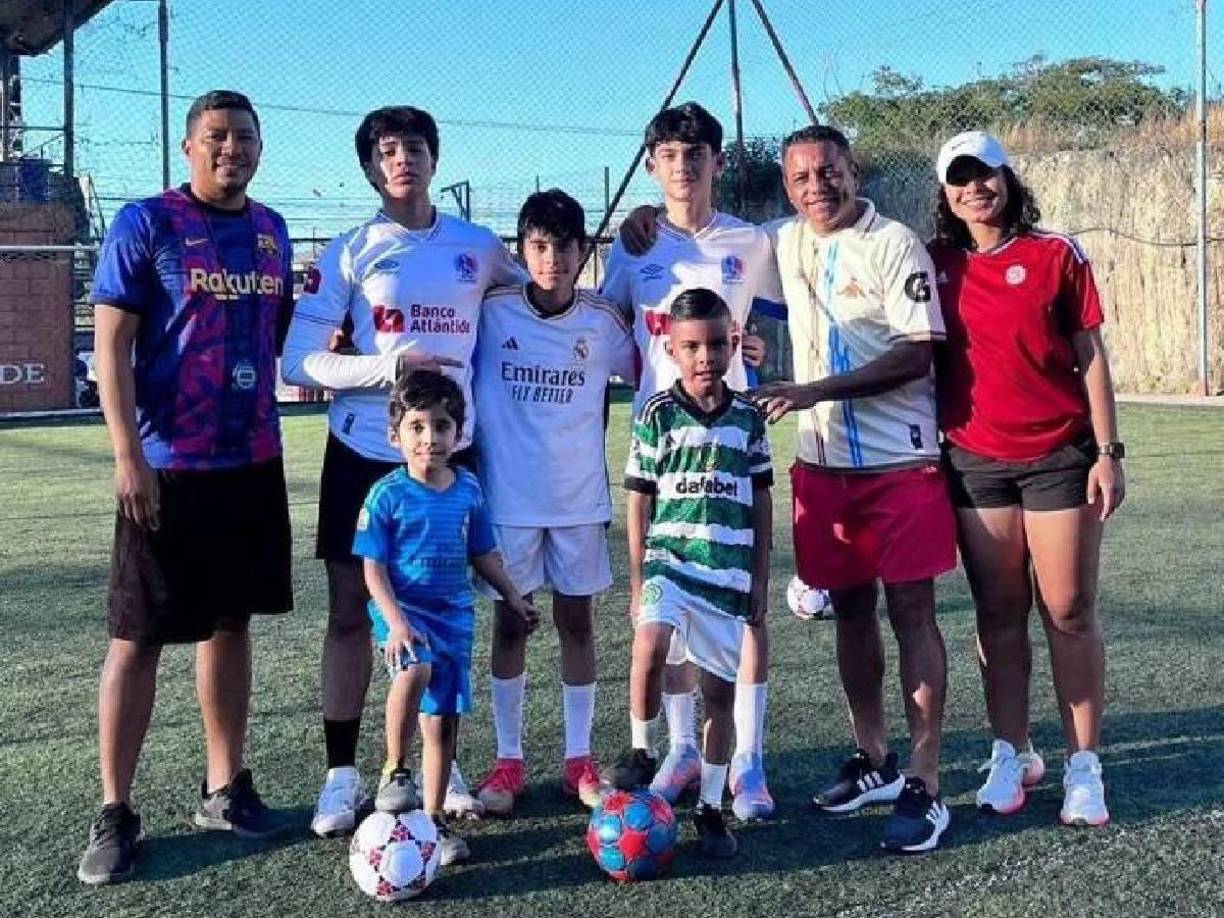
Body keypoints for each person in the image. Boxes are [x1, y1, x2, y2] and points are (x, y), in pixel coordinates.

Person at [280, 105, 525, 836]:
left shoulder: (478, 248)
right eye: (387, 151)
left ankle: (437, 776)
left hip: (453, 455)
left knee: (450, 615)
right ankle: (343, 775)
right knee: (353, 611)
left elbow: (545, 291)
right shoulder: (353, 251)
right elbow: (298, 361)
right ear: (369, 168)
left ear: (434, 158)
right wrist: (389, 366)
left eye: (415, 147)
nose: (403, 160)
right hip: (364, 453)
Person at [79, 90, 294, 885]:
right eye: (216, 137)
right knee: (136, 637)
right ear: (188, 147)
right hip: (168, 465)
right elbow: (112, 346)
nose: (230, 148)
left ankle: (224, 786)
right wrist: (127, 455)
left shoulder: (271, 231)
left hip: (252, 461)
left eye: (244, 137)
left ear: (259, 149)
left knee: (230, 622)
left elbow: (272, 338)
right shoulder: (147, 222)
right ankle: (114, 809)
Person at [752, 124, 956, 853]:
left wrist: (813, 390)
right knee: (850, 614)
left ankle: (927, 780)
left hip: (899, 466)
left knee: (912, 613)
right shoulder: (782, 240)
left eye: (829, 171)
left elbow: (915, 355)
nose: (818, 186)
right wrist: (646, 223)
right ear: (787, 185)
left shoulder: (895, 242)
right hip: (823, 469)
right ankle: (876, 760)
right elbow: (707, 242)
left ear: (852, 170)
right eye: (802, 176)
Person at [930, 131, 1124, 827]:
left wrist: (1109, 450)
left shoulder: (1055, 255)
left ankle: (1084, 766)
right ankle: (1012, 753)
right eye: (961, 178)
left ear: (1009, 179)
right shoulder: (933, 263)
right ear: (946, 193)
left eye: (987, 173)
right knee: (999, 615)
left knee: (1068, 610)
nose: (976, 187)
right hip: (974, 463)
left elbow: (1090, 354)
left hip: (1058, 459)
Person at [601, 102, 782, 821]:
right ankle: (678, 750)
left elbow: (776, 320)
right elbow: (610, 327)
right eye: (670, 154)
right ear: (652, 165)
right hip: (665, 443)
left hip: (735, 443)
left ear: (719, 160)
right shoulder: (634, 245)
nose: (684, 165)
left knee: (745, 613)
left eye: (697, 151)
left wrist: (762, 354)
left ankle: (751, 762)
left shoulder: (751, 240)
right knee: (669, 615)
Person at [469, 190, 635, 814]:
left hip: (578, 502)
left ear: (582, 251)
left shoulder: (601, 321)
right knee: (511, 622)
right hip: (508, 502)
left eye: (565, 246)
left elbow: (655, 364)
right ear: (521, 250)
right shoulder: (493, 312)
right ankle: (508, 763)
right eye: (539, 245)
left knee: (576, 623)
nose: (552, 259)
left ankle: (578, 761)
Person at [610, 287, 773, 859]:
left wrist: (758, 576)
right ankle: (640, 750)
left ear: (732, 345)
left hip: (725, 576)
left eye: (714, 345)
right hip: (668, 563)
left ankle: (708, 805)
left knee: (717, 698)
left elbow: (761, 497)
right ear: (672, 351)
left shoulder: (749, 418)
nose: (705, 357)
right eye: (691, 347)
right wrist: (637, 579)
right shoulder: (657, 413)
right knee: (649, 642)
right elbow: (637, 498)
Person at [354, 369, 537, 864]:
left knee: (440, 725)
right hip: (404, 611)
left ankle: (432, 825)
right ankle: (394, 769)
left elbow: (484, 554)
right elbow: (372, 568)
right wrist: (394, 621)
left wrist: (513, 597)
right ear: (395, 435)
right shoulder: (385, 495)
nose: (429, 438)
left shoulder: (468, 490)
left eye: (440, 426)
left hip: (454, 616)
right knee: (415, 666)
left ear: (458, 433)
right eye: (416, 427)